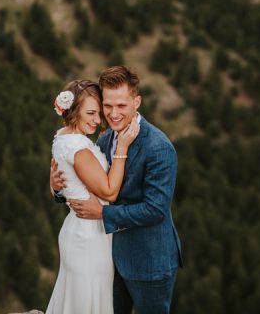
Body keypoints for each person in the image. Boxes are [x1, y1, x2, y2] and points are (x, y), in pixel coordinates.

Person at [51, 66, 183, 314]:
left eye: (121, 106)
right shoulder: (104, 139)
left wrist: (103, 213)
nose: (112, 114)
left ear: (137, 101)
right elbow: (87, 181)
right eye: (107, 106)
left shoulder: (159, 147)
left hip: (149, 260)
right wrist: (59, 189)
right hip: (106, 256)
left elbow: (155, 210)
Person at [46, 79, 140, 314]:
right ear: (72, 110)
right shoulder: (78, 148)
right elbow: (109, 191)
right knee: (88, 300)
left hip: (80, 231)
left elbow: (67, 180)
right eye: (90, 113)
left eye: (99, 113)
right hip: (88, 237)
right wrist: (122, 149)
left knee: (79, 299)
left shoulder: (62, 136)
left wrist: (56, 188)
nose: (98, 121)